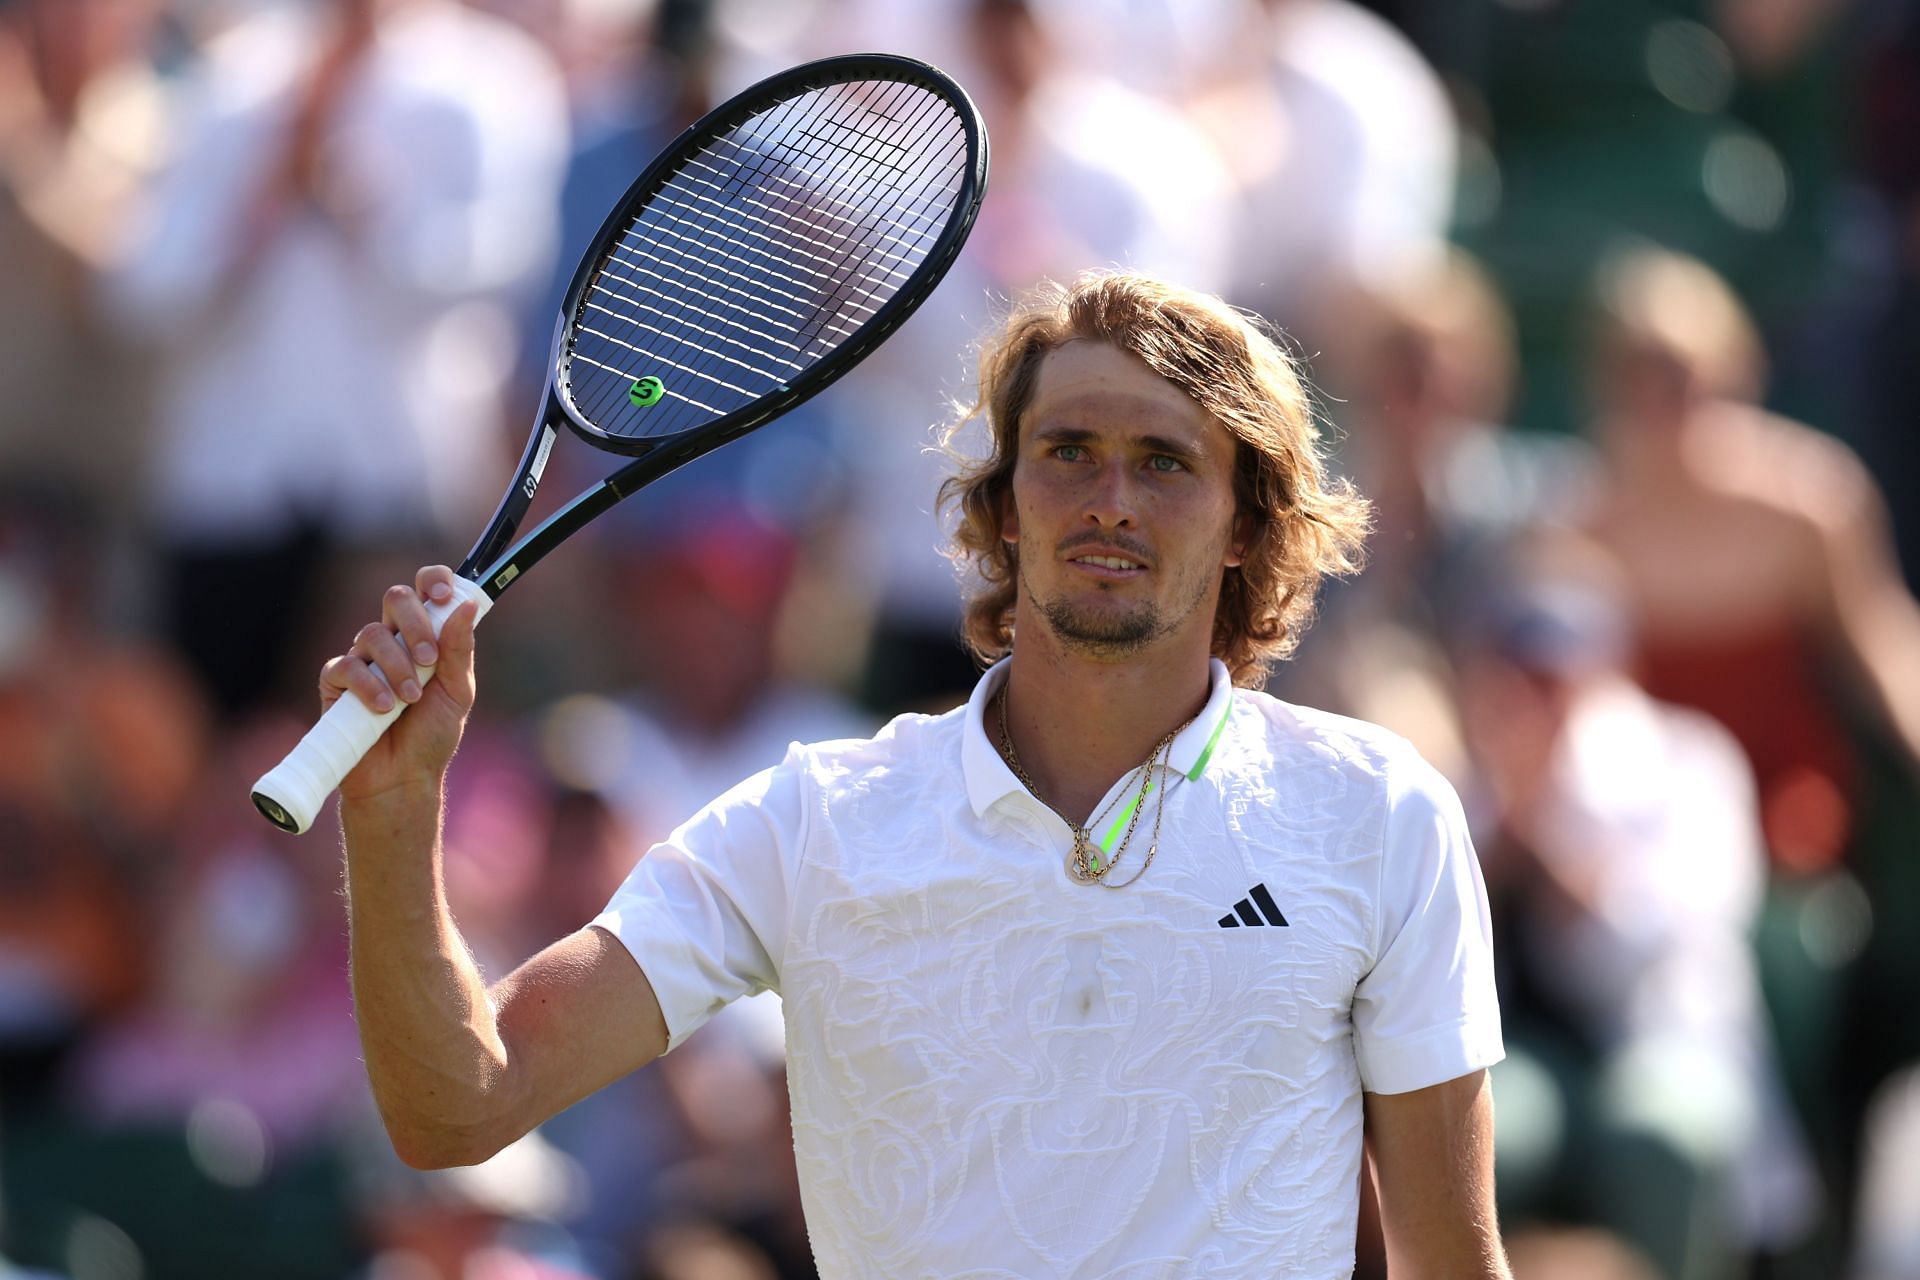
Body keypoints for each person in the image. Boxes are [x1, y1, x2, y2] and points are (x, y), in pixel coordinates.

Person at [322, 272, 1510, 1277]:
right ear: (1001, 508)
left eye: (1164, 462)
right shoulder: (814, 820)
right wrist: (392, 814)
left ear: (1246, 523)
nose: (1110, 499)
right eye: (1068, 451)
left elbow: (1454, 1261)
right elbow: (459, 1105)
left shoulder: (1380, 810)